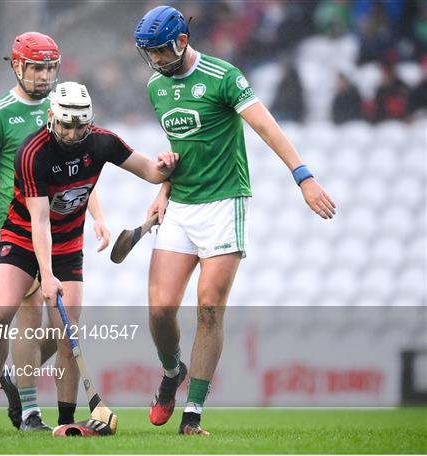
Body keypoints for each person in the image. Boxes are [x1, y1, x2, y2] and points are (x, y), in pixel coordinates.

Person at [134, 5, 336, 436]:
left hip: (225, 203)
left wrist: (304, 177)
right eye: (148, 54)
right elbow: (181, 145)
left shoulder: (224, 76)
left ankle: (193, 415)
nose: (154, 61)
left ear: (182, 42)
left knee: (209, 308)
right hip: (182, 205)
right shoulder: (156, 86)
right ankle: (172, 372)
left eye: (160, 52)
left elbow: (267, 128)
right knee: (159, 310)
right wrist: (162, 188)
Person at [0, 80, 178, 435]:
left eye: (80, 124)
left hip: (67, 245)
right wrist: (46, 275)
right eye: (66, 124)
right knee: (1, 313)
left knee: (68, 334)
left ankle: (65, 423)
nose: (72, 132)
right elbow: (39, 221)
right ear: (52, 118)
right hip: (21, 239)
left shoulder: (102, 142)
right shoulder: (33, 152)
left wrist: (166, 168)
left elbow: (149, 170)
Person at [0, 32, 109, 433]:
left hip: (62, 227)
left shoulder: (64, 105)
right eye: (37, 67)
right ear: (17, 66)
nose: (46, 75)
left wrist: (97, 214)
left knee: (57, 327)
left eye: (51, 67)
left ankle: (16, 381)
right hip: (16, 225)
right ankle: (15, 408)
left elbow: (84, 168)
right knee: (17, 314)